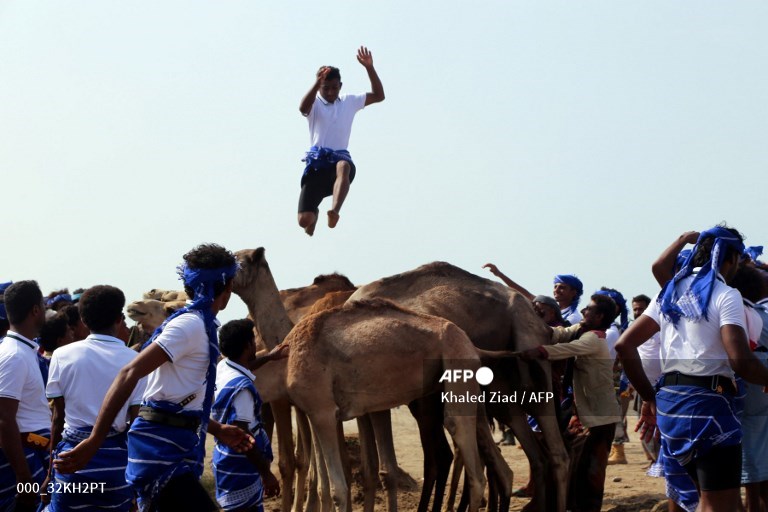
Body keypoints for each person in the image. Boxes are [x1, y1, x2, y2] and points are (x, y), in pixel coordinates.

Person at [54, 244, 253, 511]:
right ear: (227, 287)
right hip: (161, 451)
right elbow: (130, 373)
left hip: (172, 445)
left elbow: (175, 393)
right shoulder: (190, 325)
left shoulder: (198, 324)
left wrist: (217, 429)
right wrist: (94, 441)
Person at [617, 226, 768, 512]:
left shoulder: (669, 294)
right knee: (718, 505)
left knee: (692, 500)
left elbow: (624, 346)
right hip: (709, 408)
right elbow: (740, 359)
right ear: (731, 258)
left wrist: (649, 397)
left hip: (671, 406)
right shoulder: (725, 294)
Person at [43, 285, 146, 511]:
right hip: (116, 467)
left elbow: (57, 419)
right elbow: (136, 424)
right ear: (119, 319)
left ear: (83, 320)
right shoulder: (135, 361)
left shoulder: (62, 355)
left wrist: (50, 473)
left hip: (71, 463)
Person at [515, 293, 621, 512]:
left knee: (591, 470)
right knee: (572, 461)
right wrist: (534, 327)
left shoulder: (594, 338)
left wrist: (540, 351)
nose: (583, 312)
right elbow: (559, 334)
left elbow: (567, 349)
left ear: (599, 316)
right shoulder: (580, 331)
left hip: (599, 417)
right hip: (583, 414)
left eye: (589, 309)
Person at [297, 46, 385, 236]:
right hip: (317, 166)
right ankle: (315, 214)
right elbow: (303, 108)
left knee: (343, 165)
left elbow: (379, 96)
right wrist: (316, 82)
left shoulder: (349, 101)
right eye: (325, 88)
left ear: (340, 86)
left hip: (339, 161)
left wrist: (369, 68)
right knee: (304, 220)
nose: (330, 92)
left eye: (334, 88)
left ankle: (334, 211)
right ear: (320, 87)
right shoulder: (316, 103)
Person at [212, 319, 281, 512]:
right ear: (248, 345)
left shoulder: (223, 366)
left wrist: (269, 357)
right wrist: (266, 474)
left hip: (224, 460)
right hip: (240, 466)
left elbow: (244, 366)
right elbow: (242, 437)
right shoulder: (242, 390)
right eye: (253, 340)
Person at [0, 281, 51, 512]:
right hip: (22, 461)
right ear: (35, 310)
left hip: (32, 454)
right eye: (41, 303)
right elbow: (3, 419)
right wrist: (23, 478)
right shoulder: (14, 356)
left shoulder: (22, 350)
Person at [483, 263, 584, 325]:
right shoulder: (548, 306)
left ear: (573, 292)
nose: (556, 290)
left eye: (562, 288)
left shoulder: (574, 317)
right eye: (555, 286)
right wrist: (499, 274)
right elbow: (524, 293)